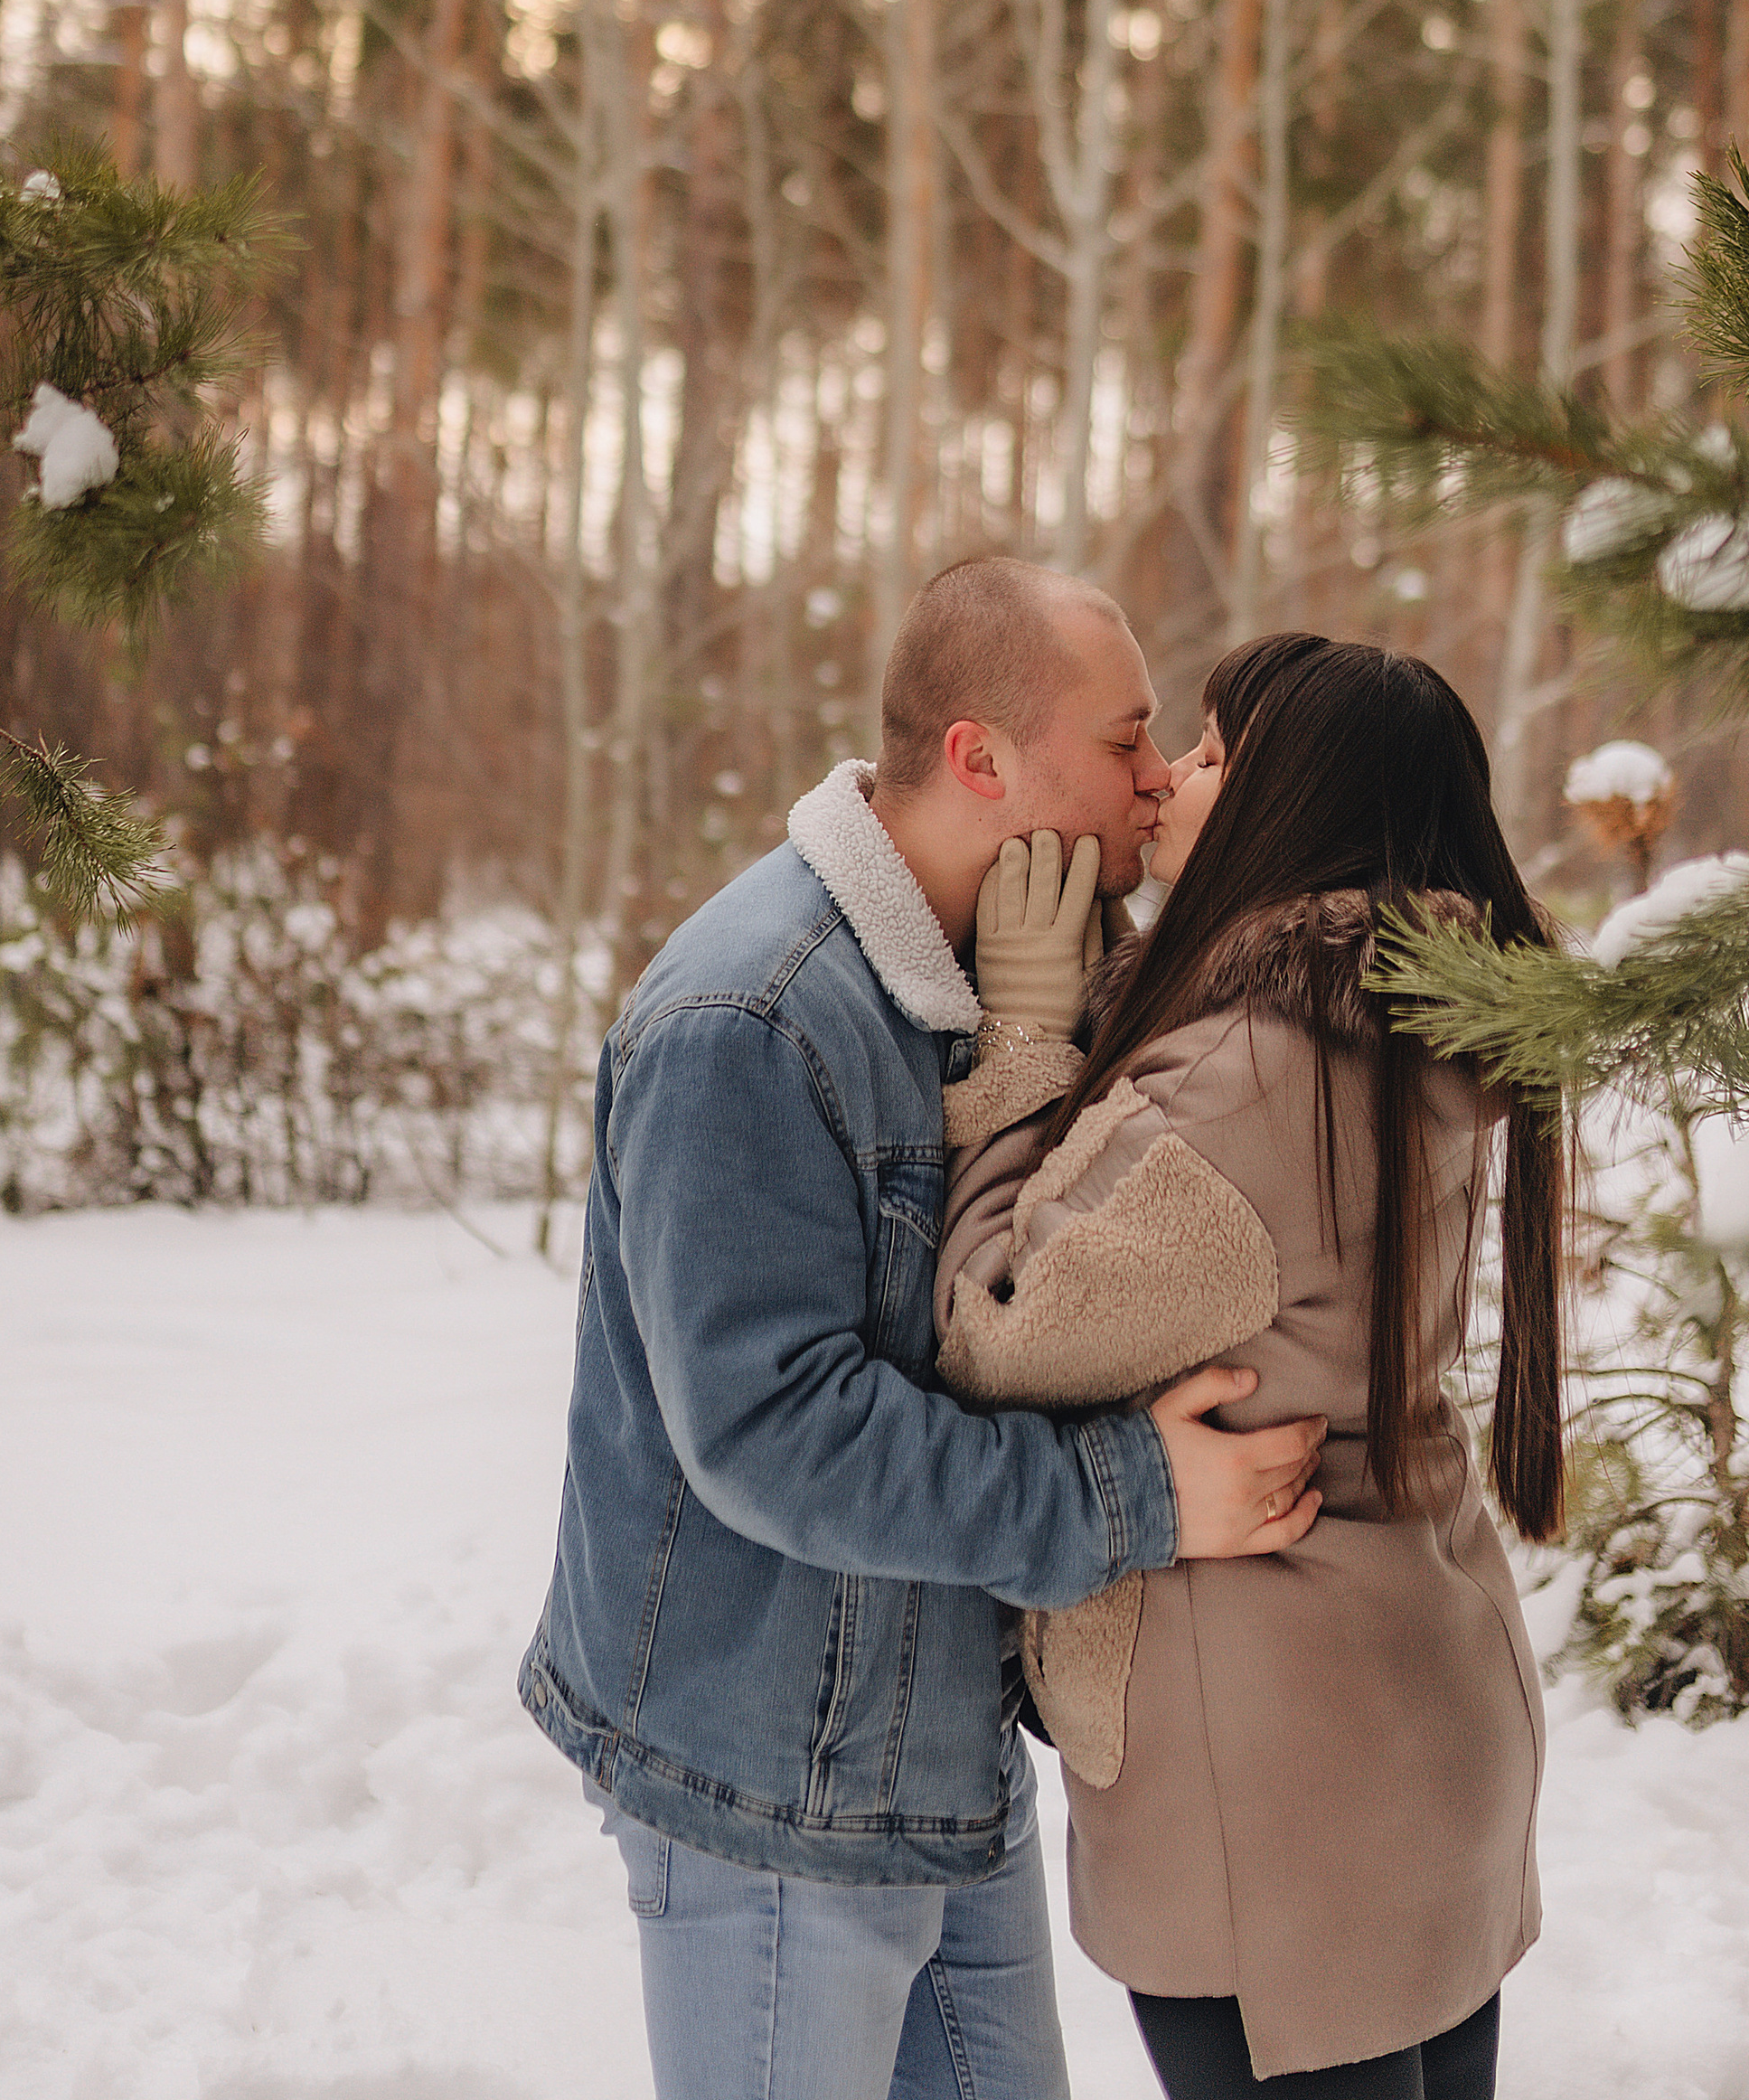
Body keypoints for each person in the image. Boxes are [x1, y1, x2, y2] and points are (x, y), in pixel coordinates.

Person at [518, 556, 1327, 2100]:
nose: (1159, 781)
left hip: (936, 1753)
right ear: (982, 760)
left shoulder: (1000, 974)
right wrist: (1136, 1497)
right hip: (770, 1785)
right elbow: (775, 1430)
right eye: (1127, 739)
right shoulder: (752, 1020)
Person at [936, 634, 1566, 2100]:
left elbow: (999, 1328)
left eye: (1214, 752)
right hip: (1420, 1692)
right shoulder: (1398, 1028)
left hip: (1276, 1774)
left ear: (1295, 802)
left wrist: (1027, 1043)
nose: (1166, 778)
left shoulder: (1253, 1076)